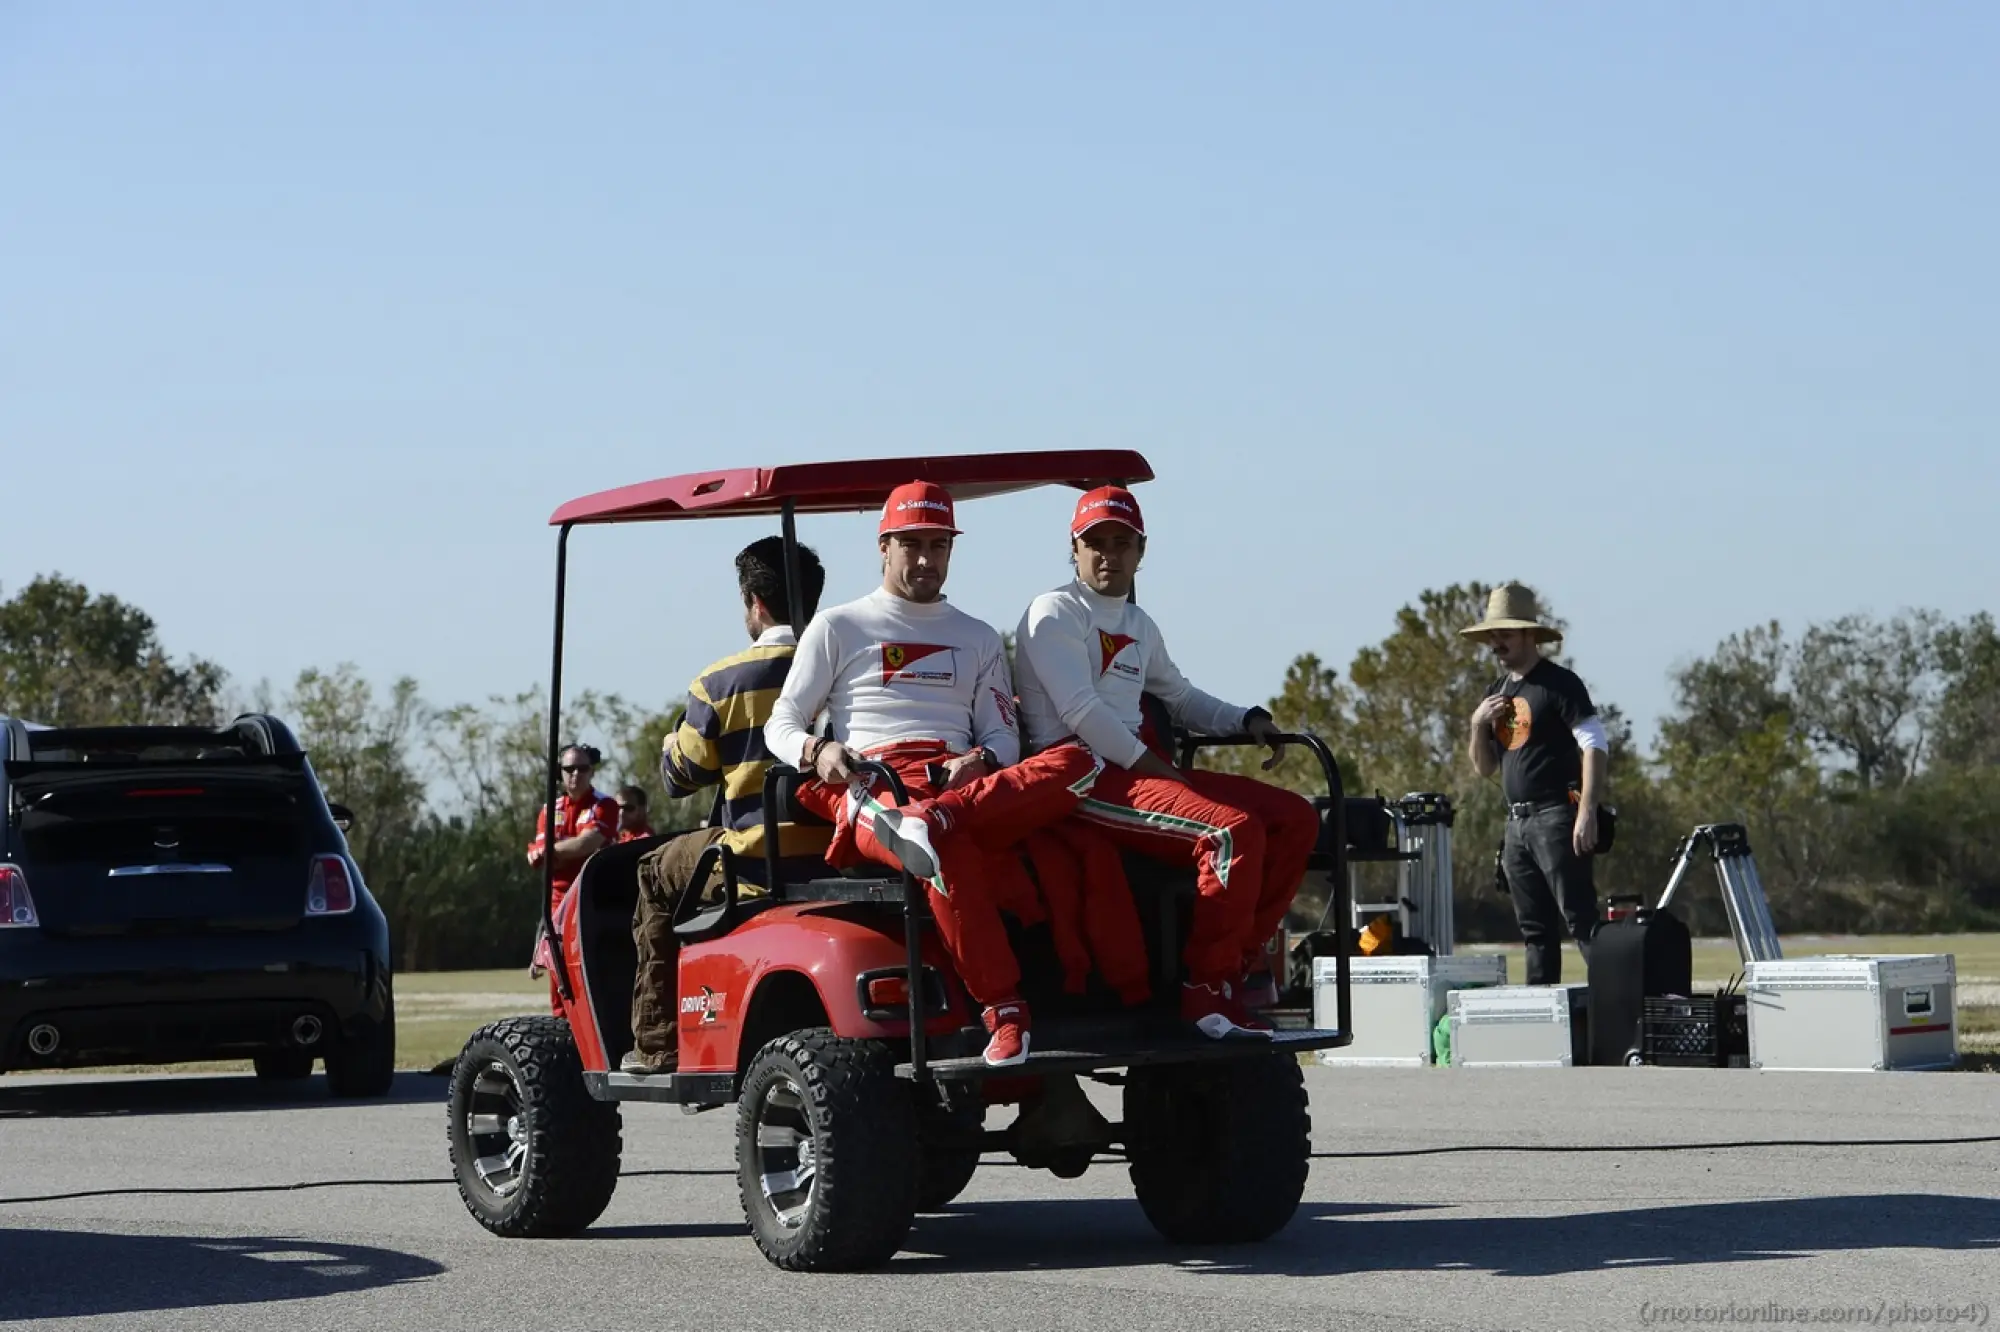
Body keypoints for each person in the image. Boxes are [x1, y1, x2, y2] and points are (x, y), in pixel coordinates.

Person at [764, 480, 1106, 1068]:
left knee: (1081, 762)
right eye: (912, 545)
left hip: (960, 787)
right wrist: (818, 753)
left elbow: (1000, 731)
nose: (926, 560)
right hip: (875, 780)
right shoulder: (839, 626)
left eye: (938, 546)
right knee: (937, 846)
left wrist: (986, 760)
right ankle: (1004, 1011)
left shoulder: (976, 636)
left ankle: (932, 821)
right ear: (884, 546)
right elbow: (781, 723)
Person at [1013, 486, 1321, 1041]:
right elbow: (1080, 711)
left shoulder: (1139, 623)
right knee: (1231, 831)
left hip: (1133, 770)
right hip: (1074, 776)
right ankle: (1203, 996)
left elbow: (1179, 697)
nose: (1109, 554)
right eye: (1095, 543)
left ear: (1141, 550)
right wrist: (1153, 766)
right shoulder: (1054, 611)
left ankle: (1234, 975)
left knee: (1296, 817)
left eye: (1121, 543)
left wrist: (1247, 718)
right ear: (1074, 549)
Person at [623, 536, 830, 1074]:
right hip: (837, 856)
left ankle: (656, 1042)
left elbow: (679, 778)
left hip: (755, 862)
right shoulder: (846, 669)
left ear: (755, 603)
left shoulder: (720, 682)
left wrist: (672, 744)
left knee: (652, 871)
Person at [1463, 582, 1609, 986]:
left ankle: (1620, 1011)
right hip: (1516, 825)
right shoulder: (1495, 692)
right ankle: (1542, 1020)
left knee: (1580, 919)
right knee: (1534, 932)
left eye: (1505, 634)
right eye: (1493, 635)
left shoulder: (1559, 684)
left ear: (1529, 634)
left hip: (1557, 816)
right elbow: (1485, 768)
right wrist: (1478, 725)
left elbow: (1595, 744)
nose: (1497, 643)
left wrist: (1587, 811)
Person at [527, 744, 619, 919]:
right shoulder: (549, 810)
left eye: (583, 768)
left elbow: (586, 844)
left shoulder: (605, 805)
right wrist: (552, 854)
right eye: (569, 769)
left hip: (593, 899)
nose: (576, 774)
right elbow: (540, 858)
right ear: (560, 772)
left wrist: (551, 851)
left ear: (592, 771)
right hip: (556, 905)